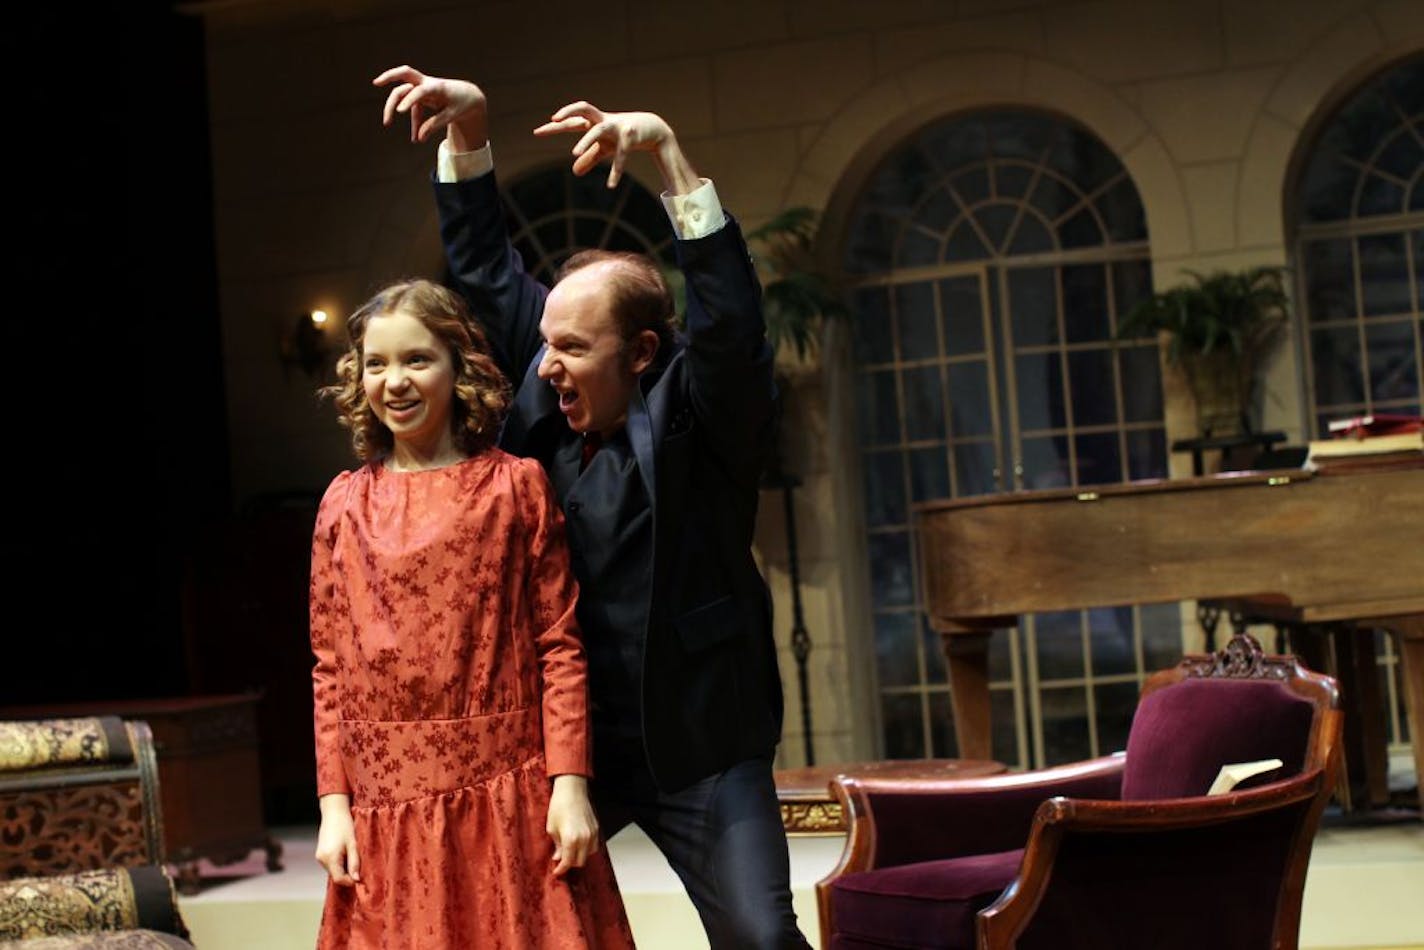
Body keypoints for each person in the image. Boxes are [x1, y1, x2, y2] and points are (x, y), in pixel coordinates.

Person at [372, 66, 812, 949]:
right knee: (504, 927)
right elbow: (490, 275)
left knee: (762, 940)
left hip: (700, 747)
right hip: (569, 752)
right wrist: (468, 135)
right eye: (546, 344)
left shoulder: (701, 413)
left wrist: (671, 162)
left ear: (642, 351)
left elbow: (731, 326)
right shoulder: (543, 402)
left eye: (572, 347)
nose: (544, 365)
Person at [309, 278, 636, 950]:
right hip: (384, 809)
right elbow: (331, 667)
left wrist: (569, 786)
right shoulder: (344, 505)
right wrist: (333, 808)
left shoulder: (514, 486)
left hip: (506, 798)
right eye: (377, 364)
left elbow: (558, 646)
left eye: (417, 360)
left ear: (459, 368)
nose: (394, 381)